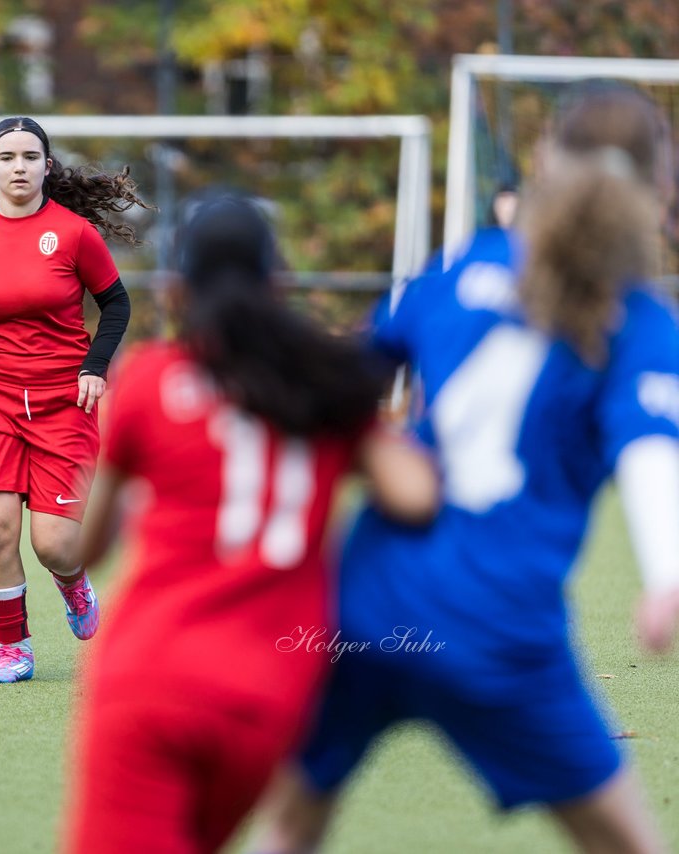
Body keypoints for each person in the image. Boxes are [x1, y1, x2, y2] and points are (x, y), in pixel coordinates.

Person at [258, 85, 679, 854]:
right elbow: (651, 451)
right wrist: (666, 577)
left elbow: (340, 381)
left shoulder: (468, 265)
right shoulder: (642, 324)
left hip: (365, 610)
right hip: (498, 630)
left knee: (289, 828)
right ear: (661, 187)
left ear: (546, 161)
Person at [61, 190, 440, 854]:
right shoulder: (326, 389)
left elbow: (85, 546)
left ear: (178, 291)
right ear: (279, 283)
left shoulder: (150, 381)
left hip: (149, 676)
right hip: (270, 693)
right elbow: (416, 497)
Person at [0, 116, 150, 684]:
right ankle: (13, 650)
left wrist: (96, 367)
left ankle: (73, 584)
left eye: (29, 156)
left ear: (46, 166)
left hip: (63, 403)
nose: (18, 166)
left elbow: (116, 306)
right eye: (7, 157)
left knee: (55, 544)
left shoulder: (73, 233)